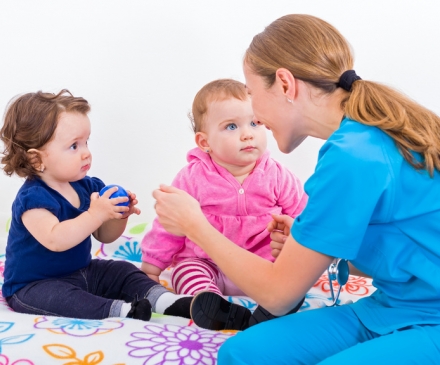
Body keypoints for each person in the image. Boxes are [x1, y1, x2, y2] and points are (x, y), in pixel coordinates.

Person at [152, 14, 440, 364]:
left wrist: (194, 225)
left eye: (251, 93)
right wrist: (309, 248)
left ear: (286, 85)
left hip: (432, 319)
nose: (254, 115)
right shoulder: (353, 141)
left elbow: (278, 296)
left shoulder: (354, 155)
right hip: (393, 307)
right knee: (240, 353)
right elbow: (407, 254)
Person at [0, 90, 192, 322]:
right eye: (74, 146)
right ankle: (122, 310)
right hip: (34, 285)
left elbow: (104, 236)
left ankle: (167, 301)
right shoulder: (32, 199)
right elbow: (56, 239)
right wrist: (95, 213)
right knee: (65, 299)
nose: (86, 153)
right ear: (36, 159)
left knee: (121, 270)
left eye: (86, 142)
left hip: (82, 271)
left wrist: (117, 215)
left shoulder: (86, 187)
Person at [141, 79, 307, 330]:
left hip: (261, 266)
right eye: (231, 126)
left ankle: (274, 307)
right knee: (186, 271)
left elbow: (304, 215)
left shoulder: (277, 175)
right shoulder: (193, 177)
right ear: (204, 142)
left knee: (292, 277)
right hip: (208, 263)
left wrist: (294, 247)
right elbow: (169, 225)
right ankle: (214, 306)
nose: (247, 133)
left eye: (255, 123)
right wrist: (151, 269)